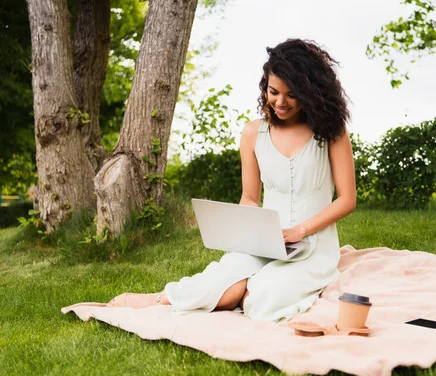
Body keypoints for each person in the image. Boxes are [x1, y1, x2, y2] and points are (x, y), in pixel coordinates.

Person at [108, 39, 356, 322]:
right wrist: (250, 229)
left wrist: (300, 231)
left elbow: (347, 200)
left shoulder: (332, 132)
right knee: (224, 284)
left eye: (292, 94)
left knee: (260, 302)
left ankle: (250, 287)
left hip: (313, 245)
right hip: (264, 241)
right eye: (273, 92)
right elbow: (250, 197)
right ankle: (161, 300)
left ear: (310, 92)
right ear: (265, 87)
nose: (280, 102)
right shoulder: (253, 134)